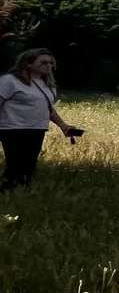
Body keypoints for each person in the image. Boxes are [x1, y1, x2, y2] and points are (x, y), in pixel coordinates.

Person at [0, 48, 84, 191]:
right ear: (28, 63)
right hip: (12, 129)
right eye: (43, 62)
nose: (48, 66)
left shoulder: (47, 84)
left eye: (51, 63)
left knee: (29, 166)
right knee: (15, 166)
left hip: (37, 129)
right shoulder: (9, 81)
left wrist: (63, 125)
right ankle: (7, 192)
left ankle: (22, 194)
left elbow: (48, 108)